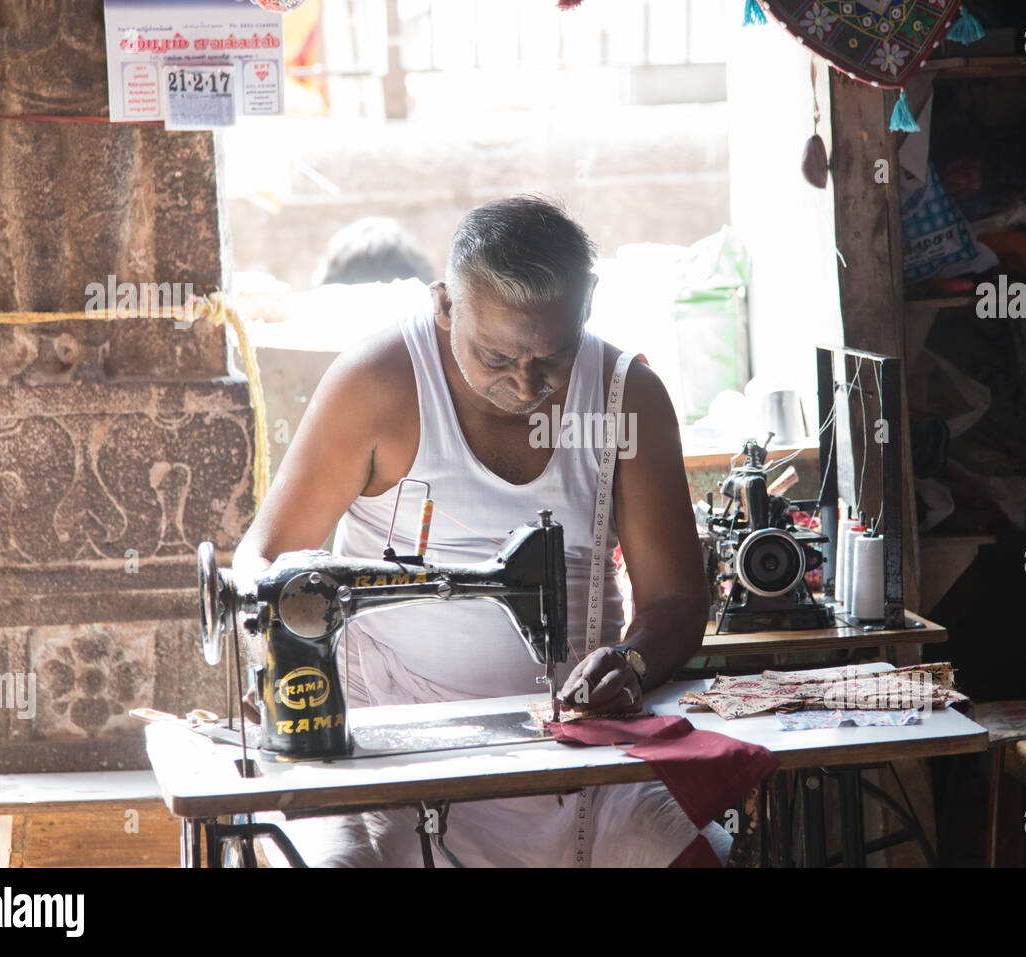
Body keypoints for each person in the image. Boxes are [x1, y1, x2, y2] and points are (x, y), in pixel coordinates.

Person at [233, 195, 724, 866]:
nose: (526, 385)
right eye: (495, 356)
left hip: (571, 753)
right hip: (384, 749)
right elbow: (264, 558)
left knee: (698, 857)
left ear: (589, 305)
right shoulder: (377, 385)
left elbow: (675, 599)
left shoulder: (625, 399)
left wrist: (632, 663)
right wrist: (285, 660)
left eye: (552, 358)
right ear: (444, 305)